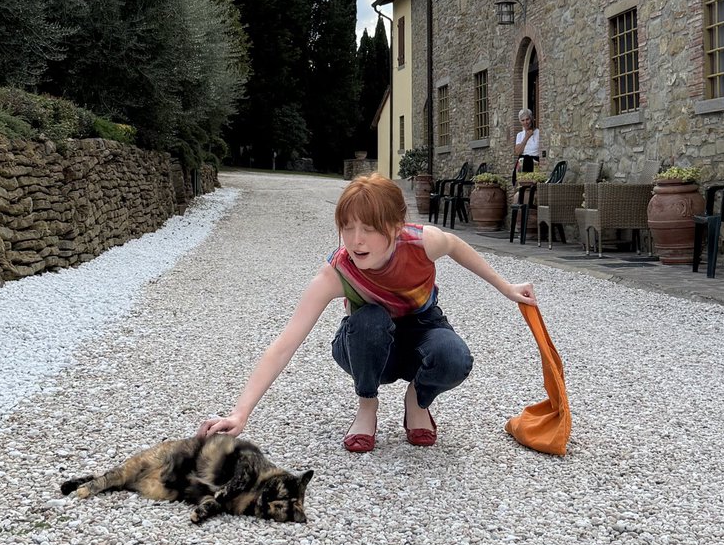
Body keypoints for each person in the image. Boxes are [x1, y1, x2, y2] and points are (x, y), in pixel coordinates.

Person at [198, 173, 536, 453]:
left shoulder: (421, 242)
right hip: (366, 346)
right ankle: (367, 406)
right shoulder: (337, 272)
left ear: (395, 226)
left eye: (369, 228)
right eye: (347, 227)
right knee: (371, 319)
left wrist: (505, 287)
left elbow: (457, 246)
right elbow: (285, 343)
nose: (356, 240)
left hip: (422, 328)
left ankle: (417, 401)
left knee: (455, 357)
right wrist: (239, 414)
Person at [514, 108, 540, 174]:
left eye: (527, 119)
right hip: (522, 163)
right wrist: (526, 137)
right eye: (523, 120)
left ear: (531, 119)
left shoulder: (538, 133)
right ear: (520, 122)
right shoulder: (519, 135)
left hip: (535, 163)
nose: (525, 122)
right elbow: (518, 152)